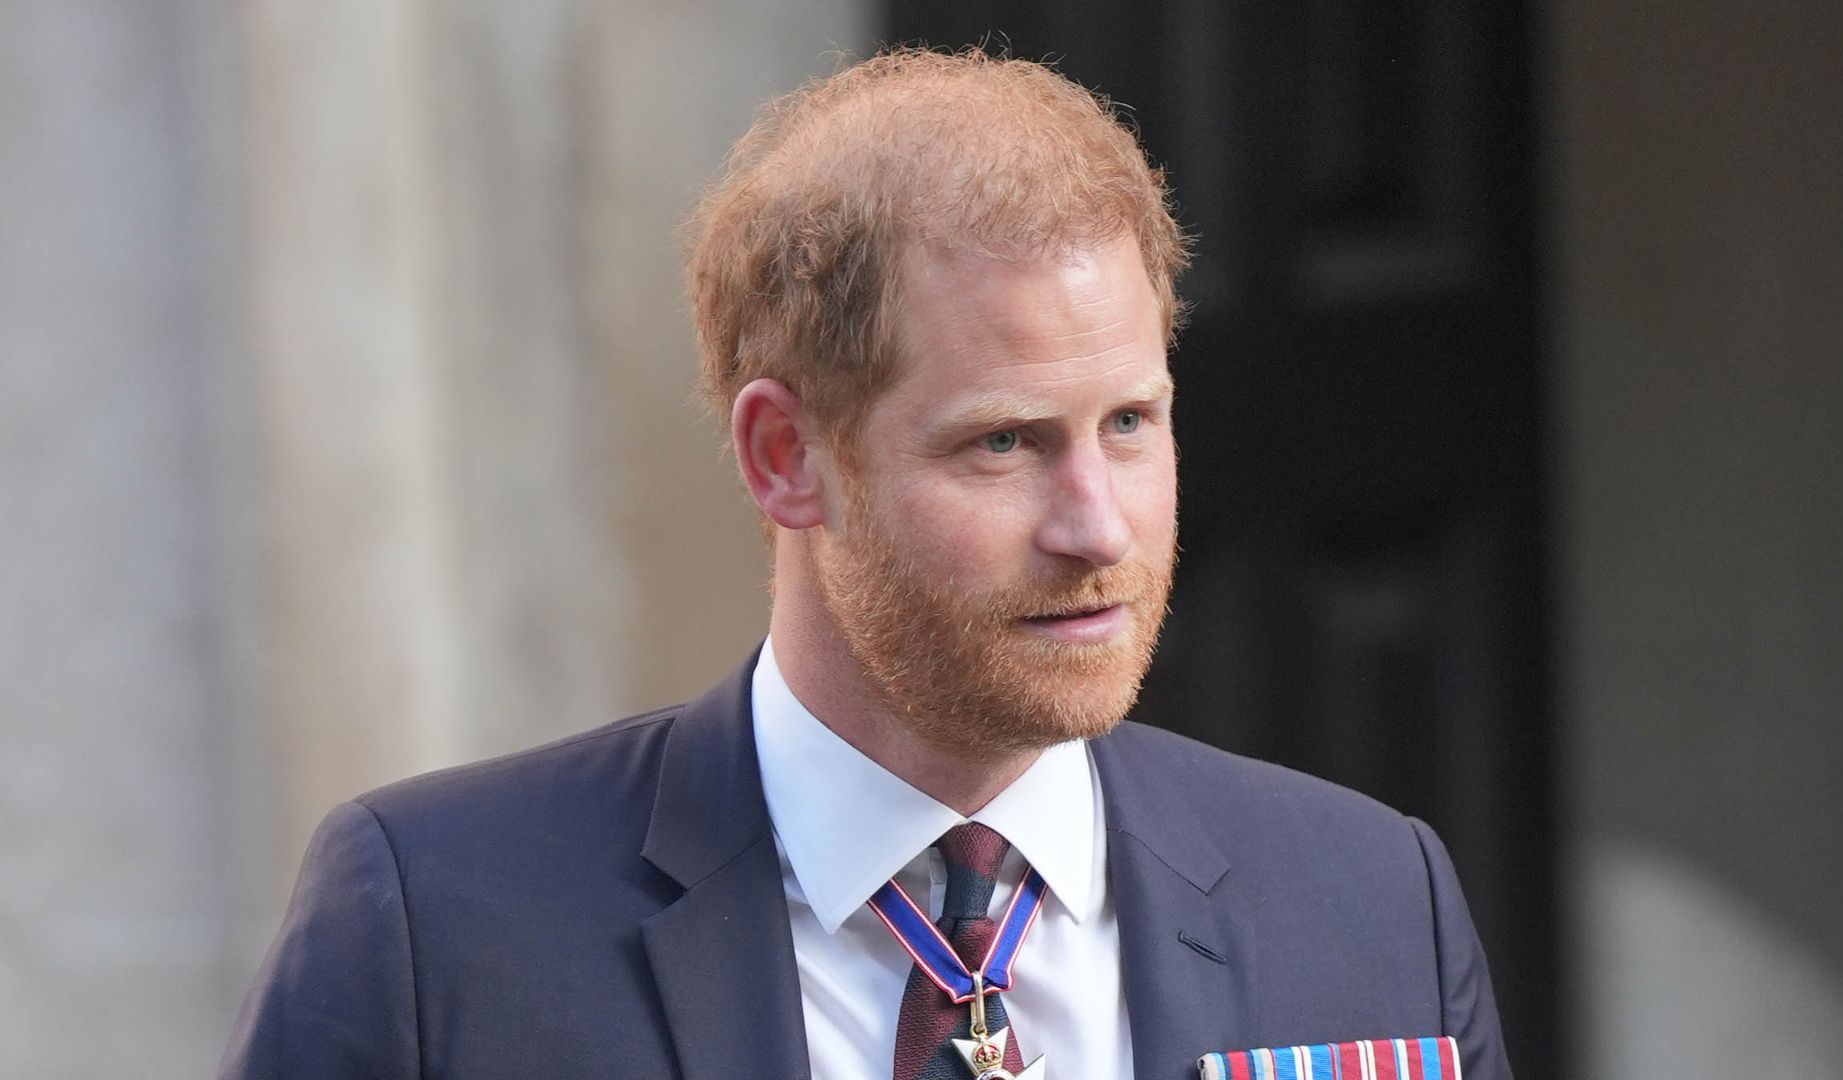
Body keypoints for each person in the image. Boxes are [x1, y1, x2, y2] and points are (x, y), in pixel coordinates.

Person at [220, 48, 1511, 1080]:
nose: (1098, 527)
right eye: (1003, 443)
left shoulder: (1367, 898)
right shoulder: (445, 925)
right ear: (786, 456)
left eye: (1130, 424)